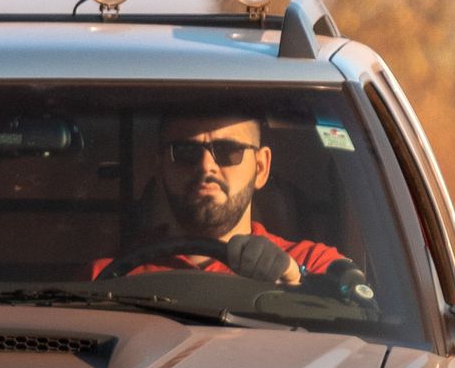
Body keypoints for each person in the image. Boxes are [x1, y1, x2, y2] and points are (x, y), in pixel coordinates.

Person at [93, 111, 348, 285]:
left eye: (228, 151)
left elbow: (364, 319)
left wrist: (295, 280)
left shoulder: (316, 265)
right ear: (160, 170)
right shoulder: (108, 278)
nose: (206, 166)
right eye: (184, 152)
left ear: (261, 168)